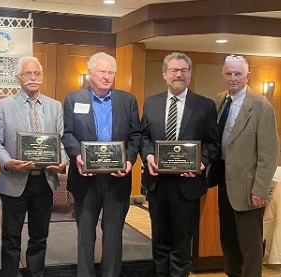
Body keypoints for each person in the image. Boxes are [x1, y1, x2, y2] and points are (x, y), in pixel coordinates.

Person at [61, 52, 141, 277]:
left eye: (111, 72)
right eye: (102, 72)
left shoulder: (127, 100)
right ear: (90, 74)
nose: (107, 77)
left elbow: (136, 135)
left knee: (114, 235)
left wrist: (129, 160)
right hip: (85, 179)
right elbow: (67, 134)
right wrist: (77, 154)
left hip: (118, 178)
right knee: (85, 236)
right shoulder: (73, 99)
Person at [141, 52, 220, 277]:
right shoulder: (151, 103)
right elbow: (144, 138)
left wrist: (201, 163)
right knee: (159, 240)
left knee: (182, 243)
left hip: (188, 186)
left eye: (184, 70)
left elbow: (213, 143)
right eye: (174, 70)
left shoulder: (204, 106)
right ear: (165, 73)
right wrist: (148, 157)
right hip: (157, 184)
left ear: (190, 74)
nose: (179, 74)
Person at [0, 56, 68, 277]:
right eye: (27, 74)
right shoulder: (2, 106)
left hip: (45, 181)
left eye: (37, 74)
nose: (33, 78)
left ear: (42, 77)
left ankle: (36, 273)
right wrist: (7, 162)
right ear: (17, 78)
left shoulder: (55, 106)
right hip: (14, 180)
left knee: (40, 235)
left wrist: (63, 162)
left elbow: (60, 141)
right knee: (11, 236)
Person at [208, 54, 279, 277]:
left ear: (248, 76)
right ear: (223, 75)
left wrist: (260, 189)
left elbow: (269, 154)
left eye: (238, 73)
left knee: (250, 247)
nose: (233, 78)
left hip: (249, 190)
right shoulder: (220, 100)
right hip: (224, 185)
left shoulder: (261, 106)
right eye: (228, 73)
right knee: (228, 242)